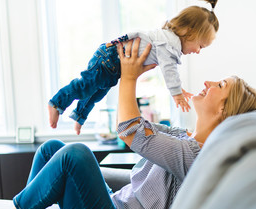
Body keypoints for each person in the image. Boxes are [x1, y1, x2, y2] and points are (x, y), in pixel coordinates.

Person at [0, 38, 256, 209]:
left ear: (226, 108)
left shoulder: (199, 156)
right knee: (53, 150)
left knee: (76, 155)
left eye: (220, 85)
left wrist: (129, 76)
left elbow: (130, 131)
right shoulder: (181, 136)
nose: (208, 83)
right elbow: (132, 131)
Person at [48, 0, 220, 135]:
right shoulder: (169, 44)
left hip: (112, 65)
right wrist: (177, 94)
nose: (198, 52)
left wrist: (179, 89)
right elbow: (169, 71)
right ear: (189, 32)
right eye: (200, 46)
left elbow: (169, 71)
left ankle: (79, 116)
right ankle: (57, 103)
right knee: (85, 87)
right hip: (110, 59)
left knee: (96, 93)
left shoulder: (167, 42)